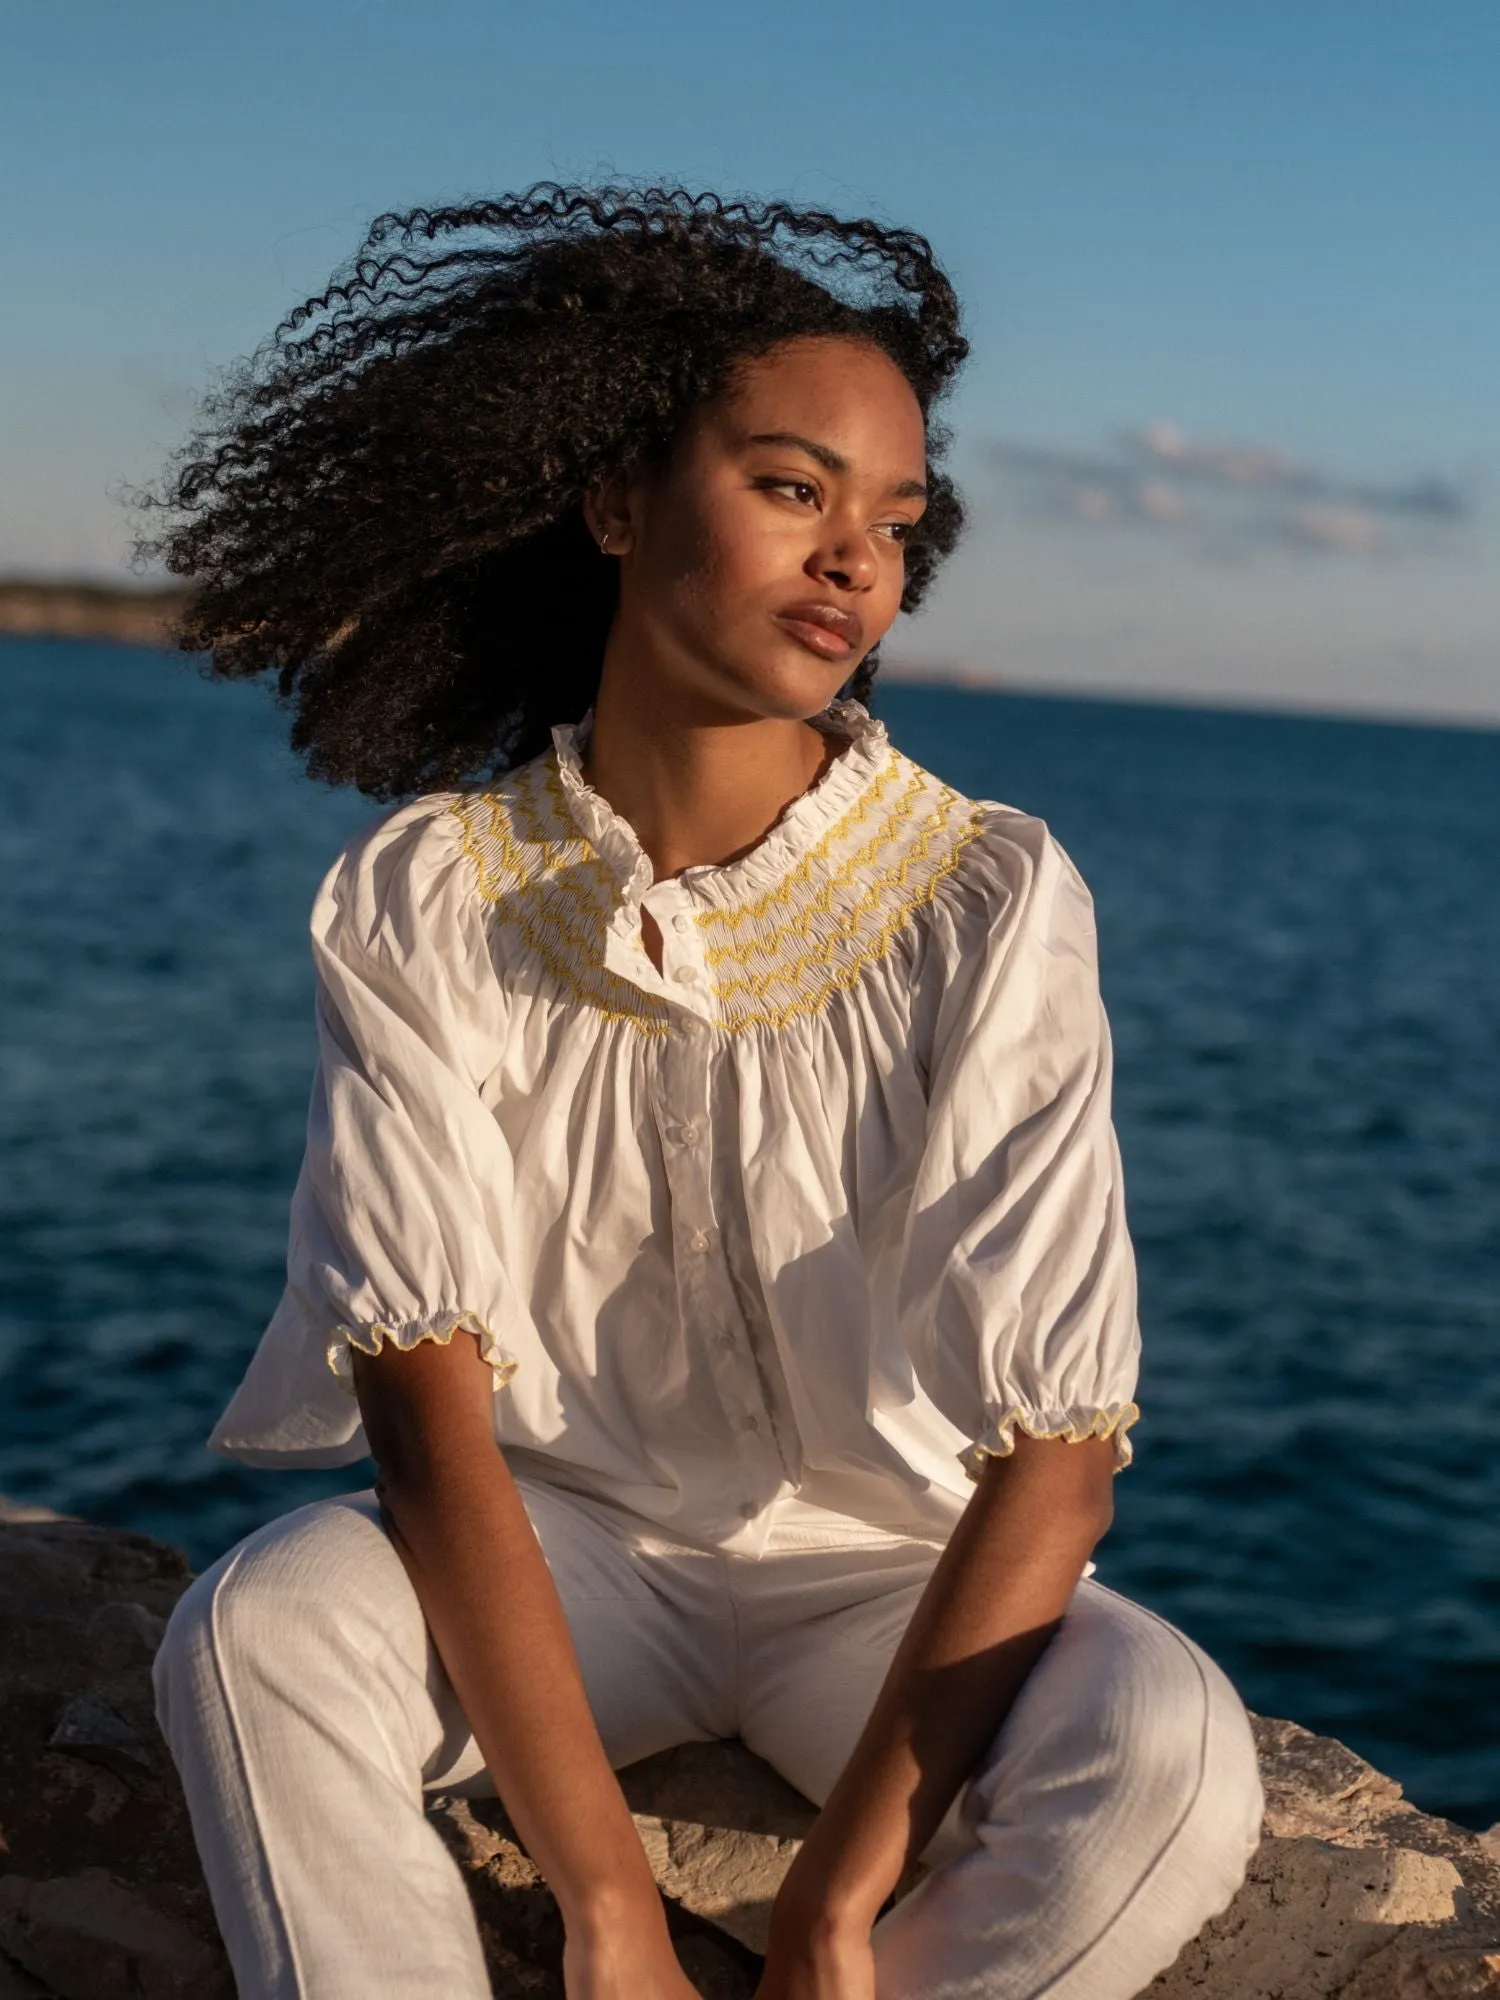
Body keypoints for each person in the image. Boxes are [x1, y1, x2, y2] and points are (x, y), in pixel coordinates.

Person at [142, 185, 1264, 2000]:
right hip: (567, 1553)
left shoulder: (984, 894)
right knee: (256, 1630)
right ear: (611, 503)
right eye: (791, 486)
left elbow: (1058, 1462)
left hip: (890, 1587)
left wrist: (833, 1907)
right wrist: (604, 1906)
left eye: (894, 521)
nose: (857, 561)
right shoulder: (436, 891)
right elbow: (426, 1407)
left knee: (1175, 1756)